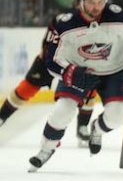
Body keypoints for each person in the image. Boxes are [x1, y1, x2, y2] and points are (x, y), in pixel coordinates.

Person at [28, 0, 123, 172]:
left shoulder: (119, 17)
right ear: (80, 1)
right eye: (91, 1)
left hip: (113, 72)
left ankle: (97, 130)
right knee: (62, 111)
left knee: (117, 116)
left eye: (100, 0)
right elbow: (52, 59)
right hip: (78, 71)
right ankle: (46, 149)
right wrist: (71, 73)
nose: (96, 6)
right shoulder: (66, 24)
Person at [0, 16, 96, 147]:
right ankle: (1, 116)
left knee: (89, 87)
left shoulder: (101, 20)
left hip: (78, 62)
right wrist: (44, 59)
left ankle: (82, 127)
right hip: (50, 60)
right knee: (26, 89)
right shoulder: (62, 19)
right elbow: (47, 41)